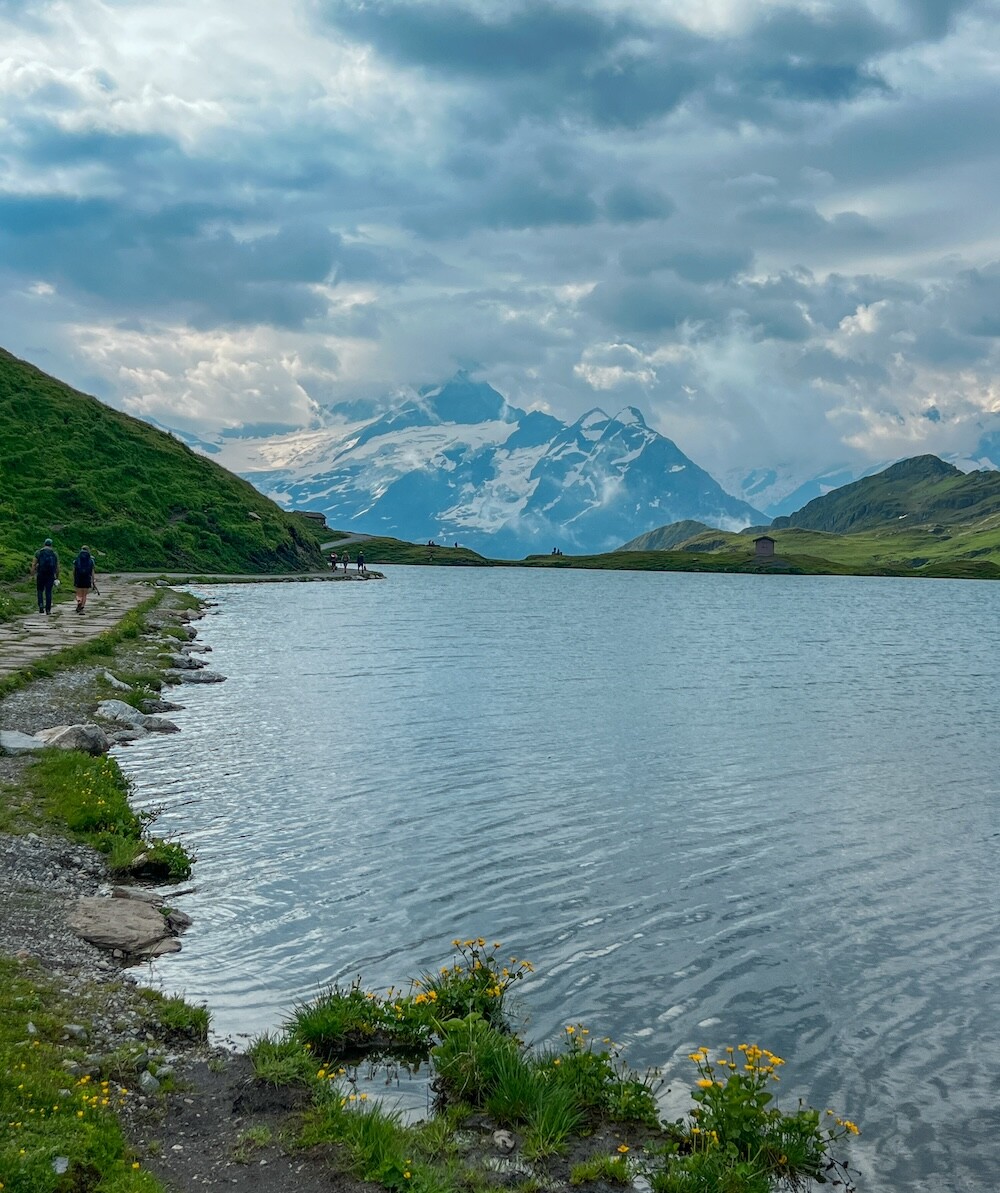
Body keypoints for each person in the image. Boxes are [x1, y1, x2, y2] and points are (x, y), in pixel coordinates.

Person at [30, 537, 59, 615]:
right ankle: (48, 609)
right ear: (51, 544)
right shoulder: (54, 553)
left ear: (44, 543)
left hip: (41, 574)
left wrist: (32, 574)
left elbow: (34, 564)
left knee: (40, 590)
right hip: (50, 575)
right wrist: (57, 577)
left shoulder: (38, 552)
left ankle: (41, 606)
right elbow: (57, 566)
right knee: (48, 591)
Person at [72, 545, 96, 614]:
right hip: (87, 578)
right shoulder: (91, 560)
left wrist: (74, 577)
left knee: (78, 593)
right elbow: (92, 571)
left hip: (78, 578)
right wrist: (93, 580)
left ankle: (79, 601)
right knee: (84, 594)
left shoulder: (77, 558)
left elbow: (74, 569)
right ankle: (82, 607)